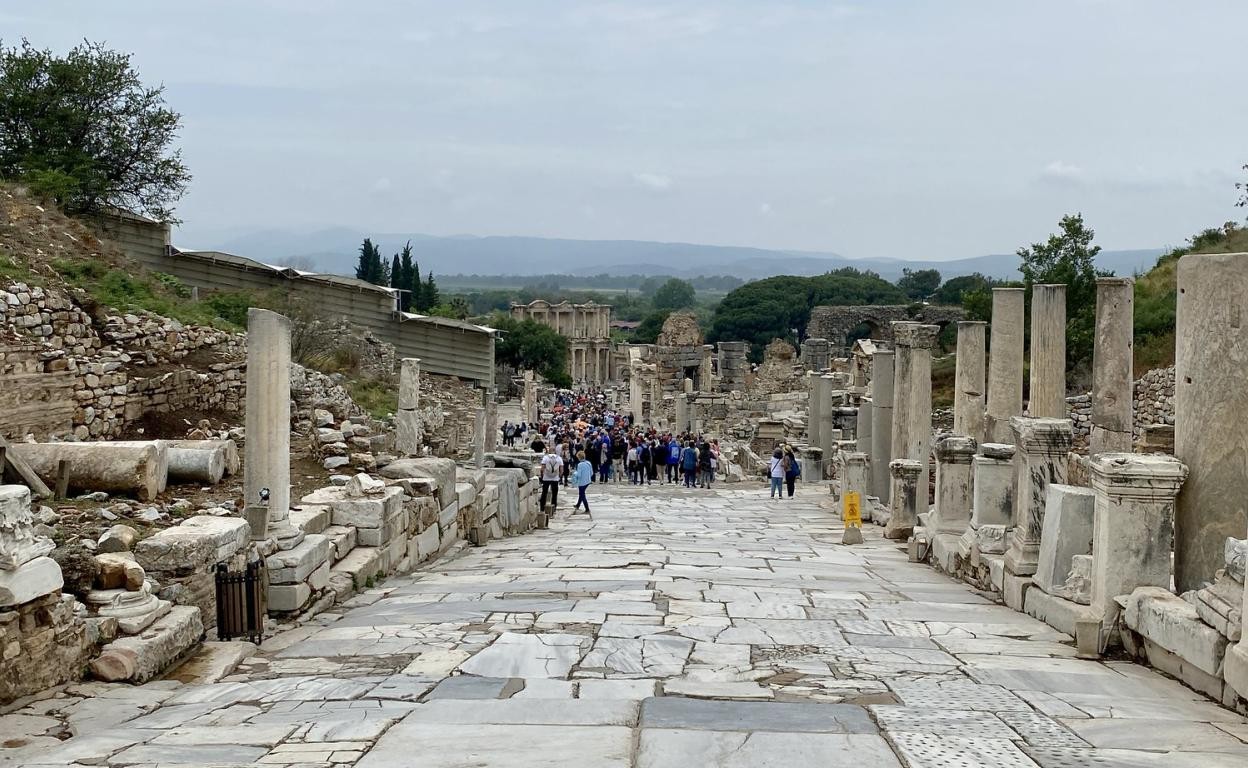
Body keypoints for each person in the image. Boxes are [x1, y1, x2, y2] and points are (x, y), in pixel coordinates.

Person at [539, 445, 563, 512]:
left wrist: (542, 475)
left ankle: (542, 508)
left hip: (546, 477)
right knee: (554, 494)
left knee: (544, 493)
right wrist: (560, 476)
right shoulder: (559, 458)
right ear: (555, 451)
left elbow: (542, 468)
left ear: (549, 451)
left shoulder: (545, 458)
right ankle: (553, 508)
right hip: (555, 478)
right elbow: (561, 469)